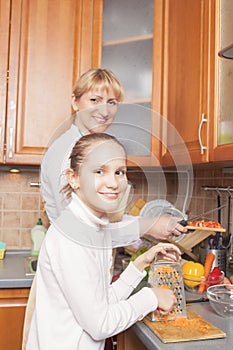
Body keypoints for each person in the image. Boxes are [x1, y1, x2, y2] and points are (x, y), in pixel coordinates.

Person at [27, 133, 180, 349]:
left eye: (119, 172)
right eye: (99, 171)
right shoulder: (73, 236)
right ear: (74, 178)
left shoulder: (94, 227)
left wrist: (139, 265)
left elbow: (101, 301)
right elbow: (100, 324)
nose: (113, 183)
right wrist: (151, 297)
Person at [40, 68, 187, 239]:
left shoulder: (90, 147)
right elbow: (80, 226)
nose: (104, 112)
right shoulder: (67, 151)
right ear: (75, 102)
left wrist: (151, 223)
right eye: (95, 100)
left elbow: (97, 221)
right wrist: (149, 226)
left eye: (112, 102)